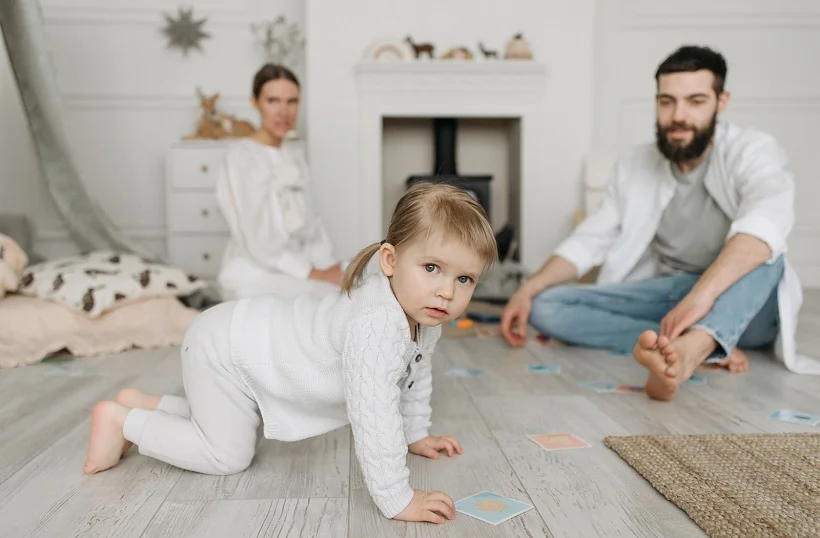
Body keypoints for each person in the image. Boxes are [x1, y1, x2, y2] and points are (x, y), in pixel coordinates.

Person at [82, 182, 498, 525]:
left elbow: (414, 374)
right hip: (226, 347)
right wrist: (397, 497)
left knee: (231, 422)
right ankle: (126, 422)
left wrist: (416, 432)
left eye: (464, 279)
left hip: (237, 338)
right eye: (432, 269)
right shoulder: (377, 325)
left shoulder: (423, 316)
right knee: (228, 454)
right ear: (390, 260)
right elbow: (373, 414)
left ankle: (147, 405)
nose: (447, 291)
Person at [501, 45, 820, 401]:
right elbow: (588, 242)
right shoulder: (634, 164)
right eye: (666, 101)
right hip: (669, 296)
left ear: (721, 101)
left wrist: (702, 297)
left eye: (695, 101)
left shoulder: (754, 151)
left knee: (767, 252)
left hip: (745, 302)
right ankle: (686, 344)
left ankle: (694, 349)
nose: (678, 116)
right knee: (547, 305)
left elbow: (766, 224)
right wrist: (528, 289)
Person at [216, 63, 343, 301]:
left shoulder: (294, 158)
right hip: (256, 268)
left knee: (355, 287)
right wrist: (313, 273)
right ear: (255, 102)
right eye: (273, 101)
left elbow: (312, 225)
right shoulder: (241, 157)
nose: (283, 112)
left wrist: (328, 265)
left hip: (300, 264)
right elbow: (256, 239)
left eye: (292, 102)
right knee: (329, 300)